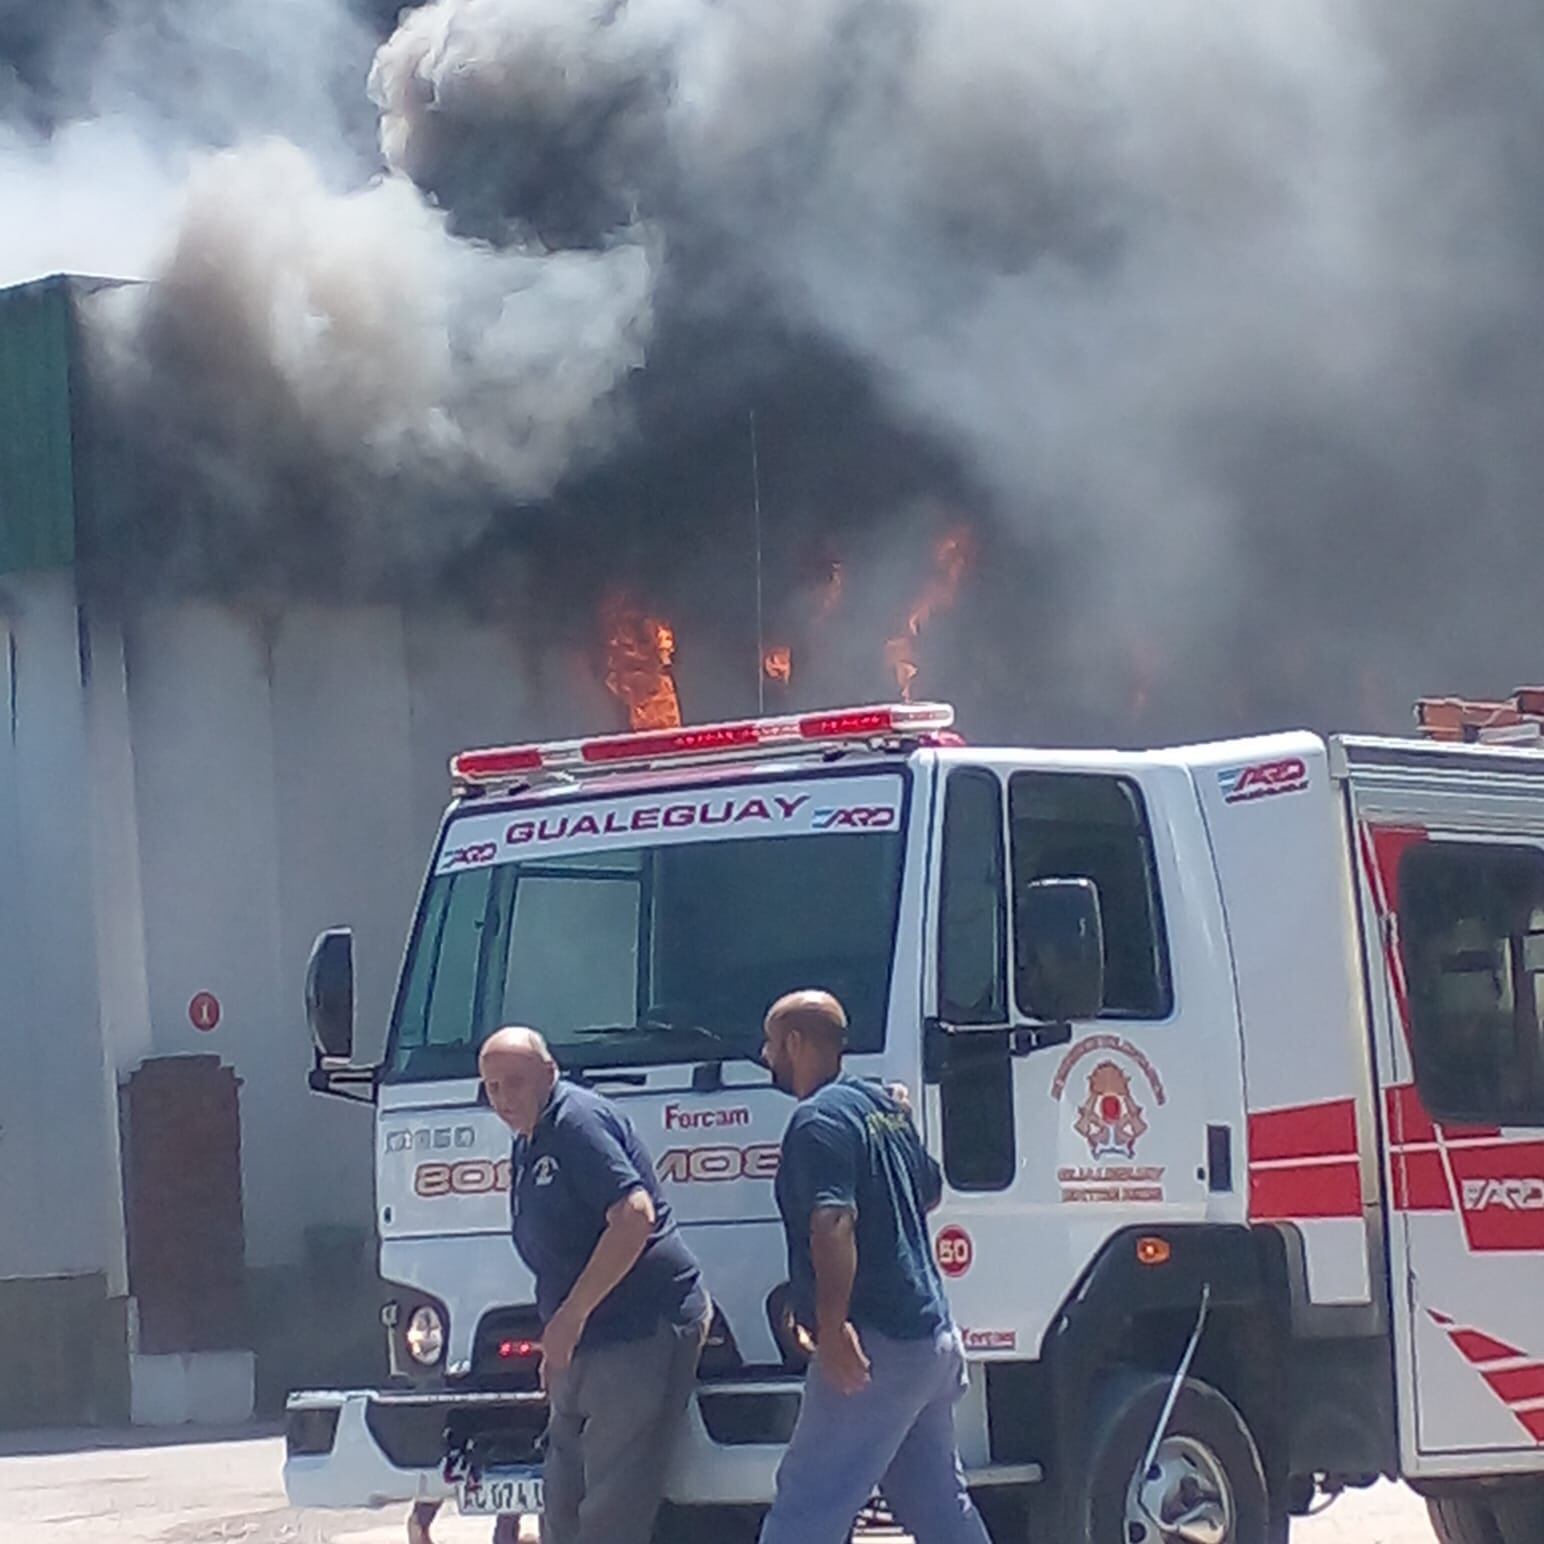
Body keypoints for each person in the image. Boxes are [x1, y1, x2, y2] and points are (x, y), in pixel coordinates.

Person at [757, 990, 991, 1544]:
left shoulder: (816, 1123)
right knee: (932, 1501)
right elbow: (928, 1190)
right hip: (928, 1341)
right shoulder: (882, 1108)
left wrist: (833, 1326)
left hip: (875, 1344)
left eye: (769, 1044)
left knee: (808, 1500)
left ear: (794, 1042)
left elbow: (833, 1223)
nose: (765, 1057)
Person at [478, 1027, 711, 1544]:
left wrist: (571, 1316)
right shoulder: (530, 1138)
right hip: (581, 1340)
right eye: (491, 1087)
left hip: (638, 1327)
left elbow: (634, 1215)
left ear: (549, 1072)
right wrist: (560, 1335)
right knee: (562, 1501)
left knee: (609, 1511)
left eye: (514, 1083)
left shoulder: (576, 1122)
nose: (503, 1098)